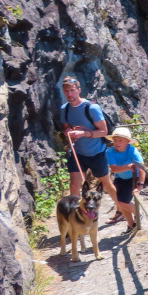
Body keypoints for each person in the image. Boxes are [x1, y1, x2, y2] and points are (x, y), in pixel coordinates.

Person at [60, 76, 117, 206]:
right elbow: (66, 127)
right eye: (67, 91)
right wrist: (68, 131)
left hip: (96, 152)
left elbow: (104, 131)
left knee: (106, 184)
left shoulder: (92, 108)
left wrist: (83, 134)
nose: (70, 94)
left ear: (79, 90)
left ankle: (121, 209)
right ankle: (74, 213)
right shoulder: (65, 108)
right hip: (78, 152)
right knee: (74, 184)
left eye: (72, 90)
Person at [106, 126, 146, 231]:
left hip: (133, 178)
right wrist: (127, 167)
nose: (117, 142)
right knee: (119, 202)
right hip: (120, 178)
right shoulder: (110, 151)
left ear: (127, 141)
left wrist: (140, 185)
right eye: (115, 140)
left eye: (120, 140)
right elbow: (114, 169)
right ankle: (131, 225)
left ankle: (139, 213)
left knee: (123, 202)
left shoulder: (133, 151)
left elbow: (142, 168)